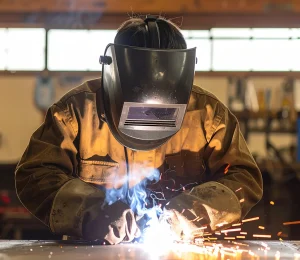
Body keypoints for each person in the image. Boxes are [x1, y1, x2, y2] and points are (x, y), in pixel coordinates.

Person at [15, 16, 263, 245]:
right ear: (115, 75)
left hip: (182, 258)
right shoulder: (77, 112)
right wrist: (91, 210)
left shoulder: (209, 116)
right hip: (92, 256)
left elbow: (243, 179)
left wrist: (190, 214)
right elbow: (36, 174)